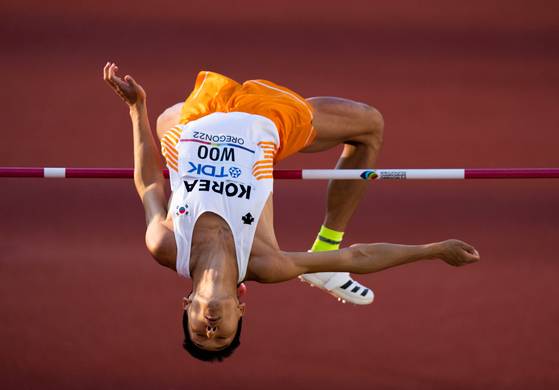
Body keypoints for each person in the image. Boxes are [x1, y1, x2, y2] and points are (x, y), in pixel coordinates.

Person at [103, 62, 480, 362]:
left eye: (200, 331)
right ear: (241, 308)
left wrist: (137, 108)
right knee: (369, 123)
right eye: (223, 334)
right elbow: (357, 257)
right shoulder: (267, 263)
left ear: (188, 307)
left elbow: (150, 185)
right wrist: (432, 250)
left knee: (169, 118)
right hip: (266, 123)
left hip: (191, 122)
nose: (212, 328)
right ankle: (327, 235)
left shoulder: (166, 245)